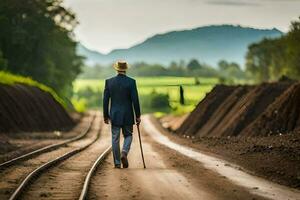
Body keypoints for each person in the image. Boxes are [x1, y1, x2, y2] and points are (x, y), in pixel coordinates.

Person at [103, 61, 141, 168]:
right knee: (128, 135)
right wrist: (138, 115)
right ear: (126, 69)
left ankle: (117, 163)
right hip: (128, 114)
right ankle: (124, 152)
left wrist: (105, 116)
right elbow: (135, 100)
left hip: (114, 115)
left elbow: (105, 100)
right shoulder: (131, 82)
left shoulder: (109, 82)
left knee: (115, 138)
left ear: (116, 69)